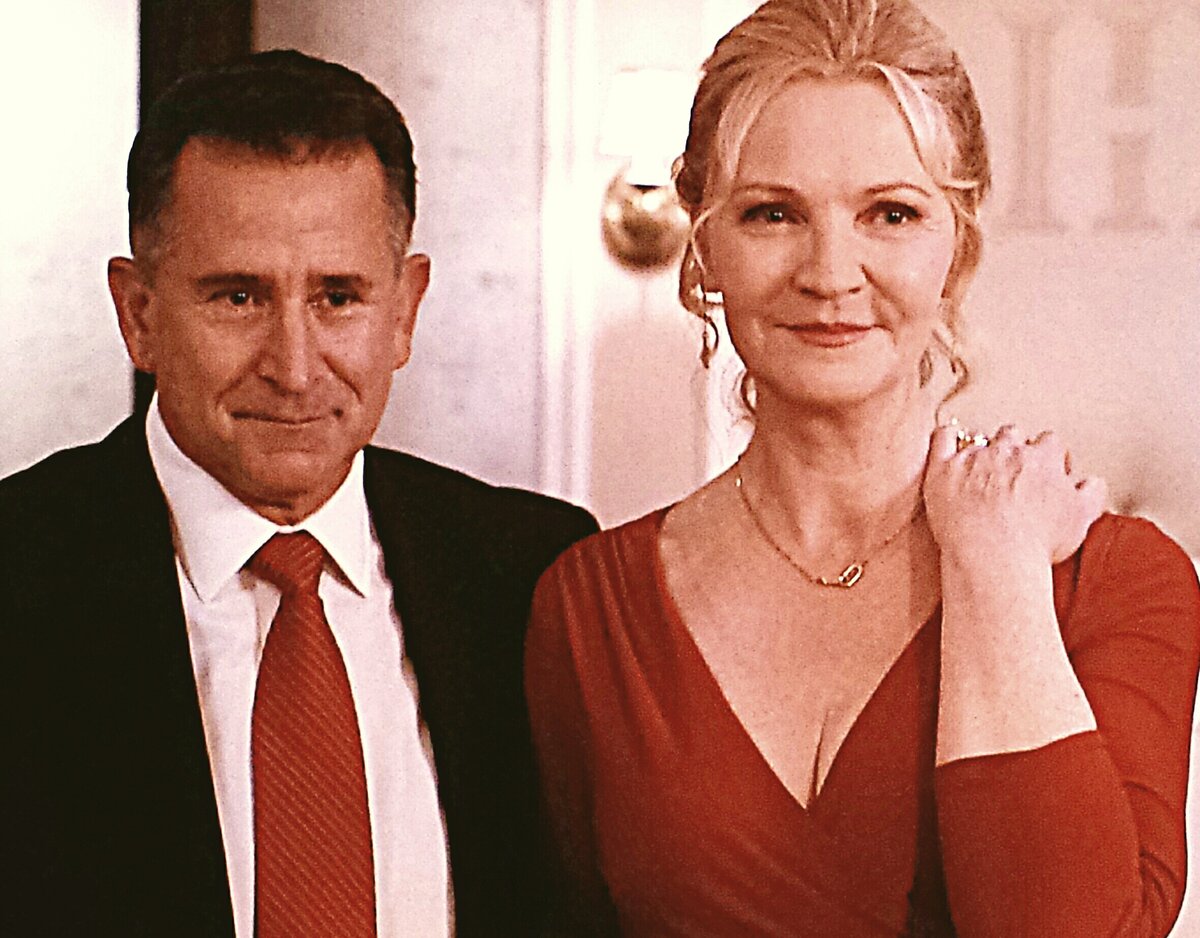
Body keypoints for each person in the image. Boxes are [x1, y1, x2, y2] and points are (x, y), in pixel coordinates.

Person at [525, 1, 1200, 935]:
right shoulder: (589, 608)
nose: (831, 273)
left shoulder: (1118, 580)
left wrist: (997, 569)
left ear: (957, 243)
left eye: (891, 214)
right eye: (773, 214)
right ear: (705, 243)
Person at [0, 50, 596, 937]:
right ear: (139, 314)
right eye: (238, 297)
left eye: (338, 297)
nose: (293, 366)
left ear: (405, 310)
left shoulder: (533, 576)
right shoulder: (19, 576)